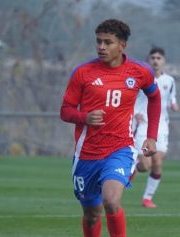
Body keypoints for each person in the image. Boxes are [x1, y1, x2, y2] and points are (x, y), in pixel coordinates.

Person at [60, 19, 161, 237]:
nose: (101, 47)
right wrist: (84, 117)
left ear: (122, 44)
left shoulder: (139, 72)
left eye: (108, 42)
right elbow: (65, 111)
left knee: (111, 201)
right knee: (92, 213)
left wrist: (151, 137)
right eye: (98, 41)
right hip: (86, 154)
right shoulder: (83, 73)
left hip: (120, 149)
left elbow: (155, 98)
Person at [133, 47, 179, 208]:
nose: (155, 60)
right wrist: (136, 113)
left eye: (159, 58)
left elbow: (171, 100)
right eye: (153, 57)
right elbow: (130, 100)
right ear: (148, 60)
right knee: (145, 166)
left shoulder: (169, 81)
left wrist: (174, 105)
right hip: (143, 125)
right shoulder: (141, 79)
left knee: (157, 163)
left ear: (163, 60)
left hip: (161, 126)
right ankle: (128, 171)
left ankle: (147, 198)